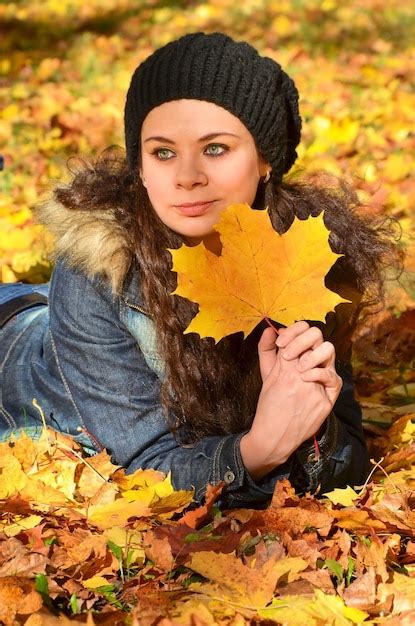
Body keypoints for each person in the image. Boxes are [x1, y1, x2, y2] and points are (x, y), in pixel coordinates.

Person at [0, 32, 401, 508]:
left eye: (215, 148)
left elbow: (347, 463)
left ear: (265, 161)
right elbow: (148, 471)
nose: (187, 175)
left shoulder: (306, 258)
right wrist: (258, 451)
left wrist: (314, 426)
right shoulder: (97, 271)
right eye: (163, 152)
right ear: (141, 167)